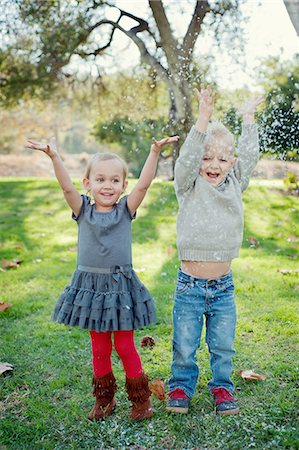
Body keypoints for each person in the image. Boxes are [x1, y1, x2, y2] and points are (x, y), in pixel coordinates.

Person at [25, 134, 179, 421]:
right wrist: (55, 157)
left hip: (120, 289)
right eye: (100, 179)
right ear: (88, 183)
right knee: (99, 348)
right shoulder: (82, 210)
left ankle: (140, 400)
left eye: (114, 180)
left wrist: (154, 152)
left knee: (124, 346)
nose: (107, 185)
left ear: (123, 185)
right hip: (91, 289)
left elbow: (145, 184)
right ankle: (104, 398)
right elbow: (64, 186)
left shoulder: (125, 210)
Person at [166, 84, 263, 416]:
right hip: (188, 285)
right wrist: (203, 117)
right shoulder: (188, 183)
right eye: (207, 157)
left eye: (222, 158)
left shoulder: (236, 182)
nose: (214, 164)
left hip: (223, 286)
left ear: (232, 162)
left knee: (222, 346)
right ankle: (180, 387)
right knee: (185, 344)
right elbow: (189, 156)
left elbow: (250, 156)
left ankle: (223, 387)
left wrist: (248, 118)